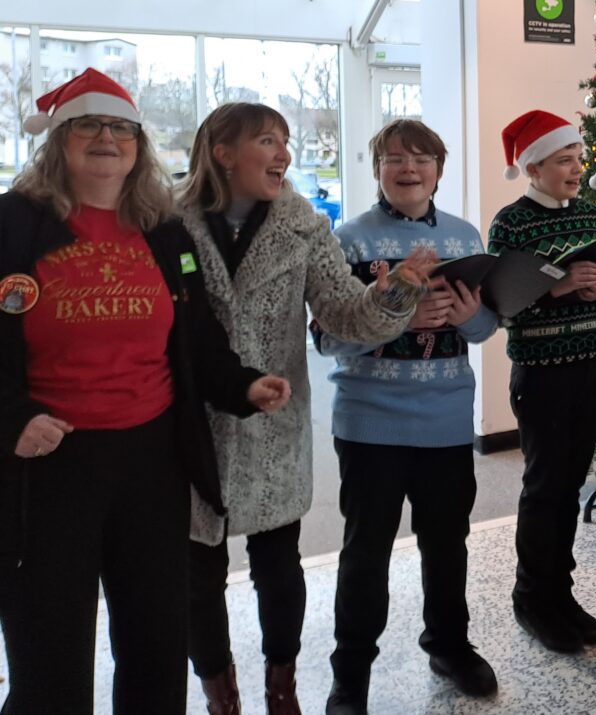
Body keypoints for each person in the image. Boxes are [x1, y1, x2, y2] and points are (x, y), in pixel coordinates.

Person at [0, 68, 290, 712]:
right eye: (89, 126)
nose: (108, 138)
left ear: (139, 146)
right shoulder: (14, 223)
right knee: (50, 664)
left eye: (122, 128)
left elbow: (195, 338)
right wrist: (13, 417)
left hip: (151, 462)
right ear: (58, 141)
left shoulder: (161, 230)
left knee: (157, 650)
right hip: (48, 468)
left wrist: (243, 384)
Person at [178, 103, 432, 712]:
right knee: (197, 571)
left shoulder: (303, 226)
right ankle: (220, 692)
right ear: (222, 152)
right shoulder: (167, 224)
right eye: (267, 140)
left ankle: (281, 685)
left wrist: (394, 290)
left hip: (274, 419)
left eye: (285, 141)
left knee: (277, 564)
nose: (284, 153)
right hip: (189, 425)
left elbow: (345, 313)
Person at [315, 119, 500, 711]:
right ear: (377, 170)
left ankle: (449, 645)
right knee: (365, 552)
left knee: (447, 544)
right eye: (394, 158)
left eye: (421, 159)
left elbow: (486, 327)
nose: (409, 168)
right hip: (370, 422)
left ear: (439, 171)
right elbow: (328, 340)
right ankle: (351, 674)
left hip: (446, 420)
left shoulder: (466, 238)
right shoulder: (347, 242)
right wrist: (396, 317)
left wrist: (466, 317)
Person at [488, 110, 596, 654]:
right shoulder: (510, 224)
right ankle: (532, 598)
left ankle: (561, 593)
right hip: (540, 373)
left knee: (569, 487)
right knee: (544, 488)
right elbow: (500, 304)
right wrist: (557, 290)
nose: (577, 168)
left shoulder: (588, 216)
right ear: (533, 166)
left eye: (580, 158)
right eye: (565, 160)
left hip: (587, 363)